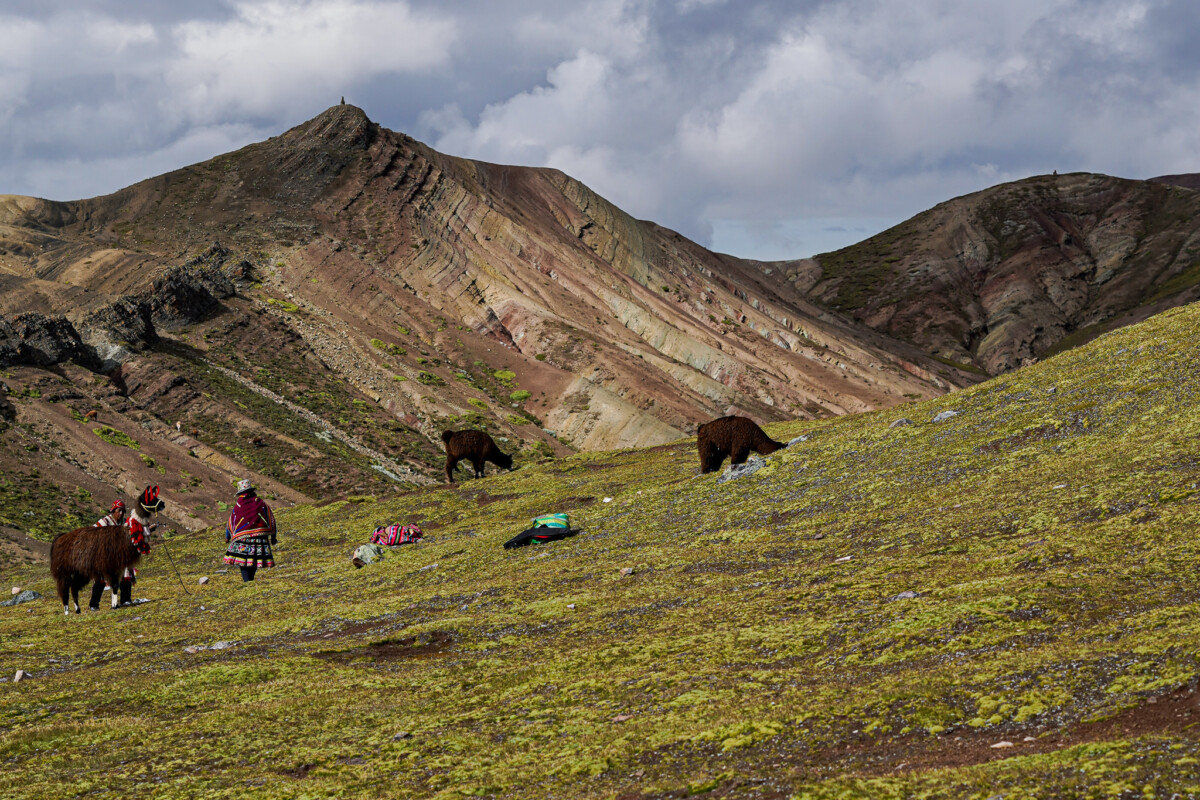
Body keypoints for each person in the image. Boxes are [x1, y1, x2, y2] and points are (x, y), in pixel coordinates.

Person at [223, 479, 276, 582]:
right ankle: (250, 580)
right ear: (252, 491)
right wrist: (273, 537)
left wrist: (227, 536)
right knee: (254, 560)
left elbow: (232, 521)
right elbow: (270, 519)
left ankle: (247, 581)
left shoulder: (238, 506)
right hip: (259, 538)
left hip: (242, 539)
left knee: (243, 562)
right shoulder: (260, 503)